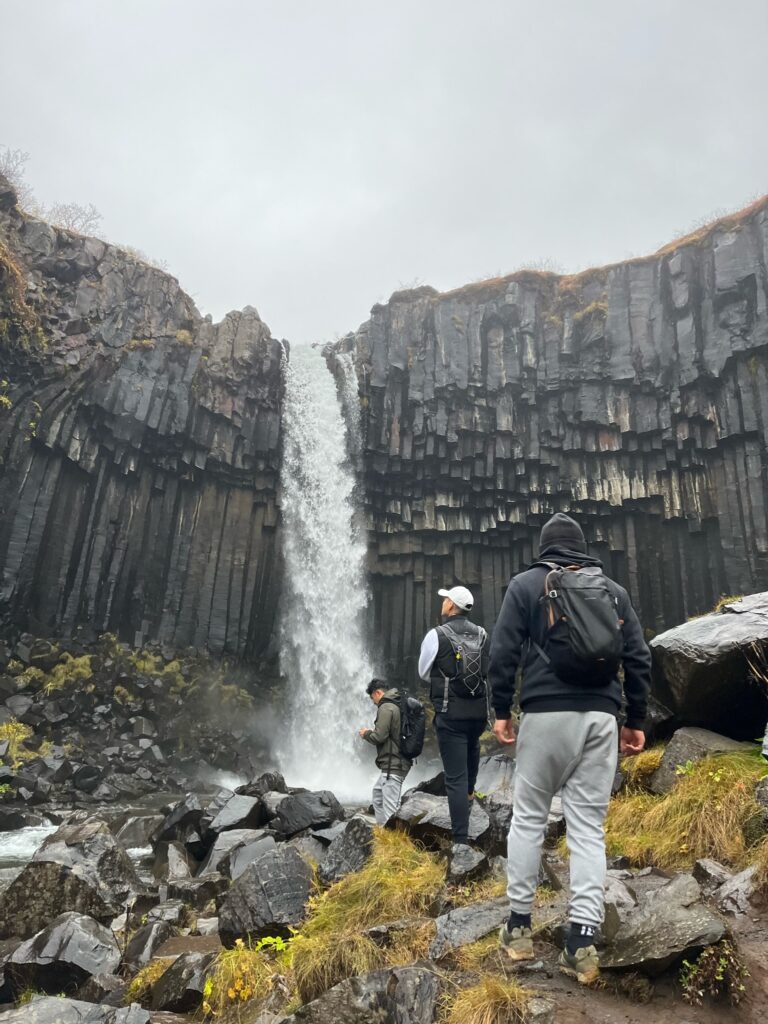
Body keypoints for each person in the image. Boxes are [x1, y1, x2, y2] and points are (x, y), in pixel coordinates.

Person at [489, 512, 650, 984]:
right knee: (587, 829)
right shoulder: (613, 591)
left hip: (545, 714)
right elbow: (638, 656)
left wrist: (502, 709)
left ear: (545, 548)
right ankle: (581, 943)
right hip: (602, 716)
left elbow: (503, 652)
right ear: (582, 549)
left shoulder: (525, 585)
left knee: (529, 817)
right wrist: (634, 720)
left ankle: (519, 927)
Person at [418, 585, 490, 851]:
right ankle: (471, 820)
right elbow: (485, 670)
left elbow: (424, 672)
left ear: (451, 606)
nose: (443, 601)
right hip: (478, 714)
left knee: (455, 778)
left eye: (446, 598)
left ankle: (460, 841)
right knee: (470, 770)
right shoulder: (482, 634)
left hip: (452, 715)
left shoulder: (437, 635)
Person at [359, 678, 411, 825]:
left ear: (378, 692)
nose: (373, 702)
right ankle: (384, 834)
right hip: (392, 764)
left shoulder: (386, 707)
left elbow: (379, 736)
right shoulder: (395, 704)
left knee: (390, 809)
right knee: (377, 796)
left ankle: (393, 843)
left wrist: (366, 734)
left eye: (372, 698)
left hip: (393, 764)